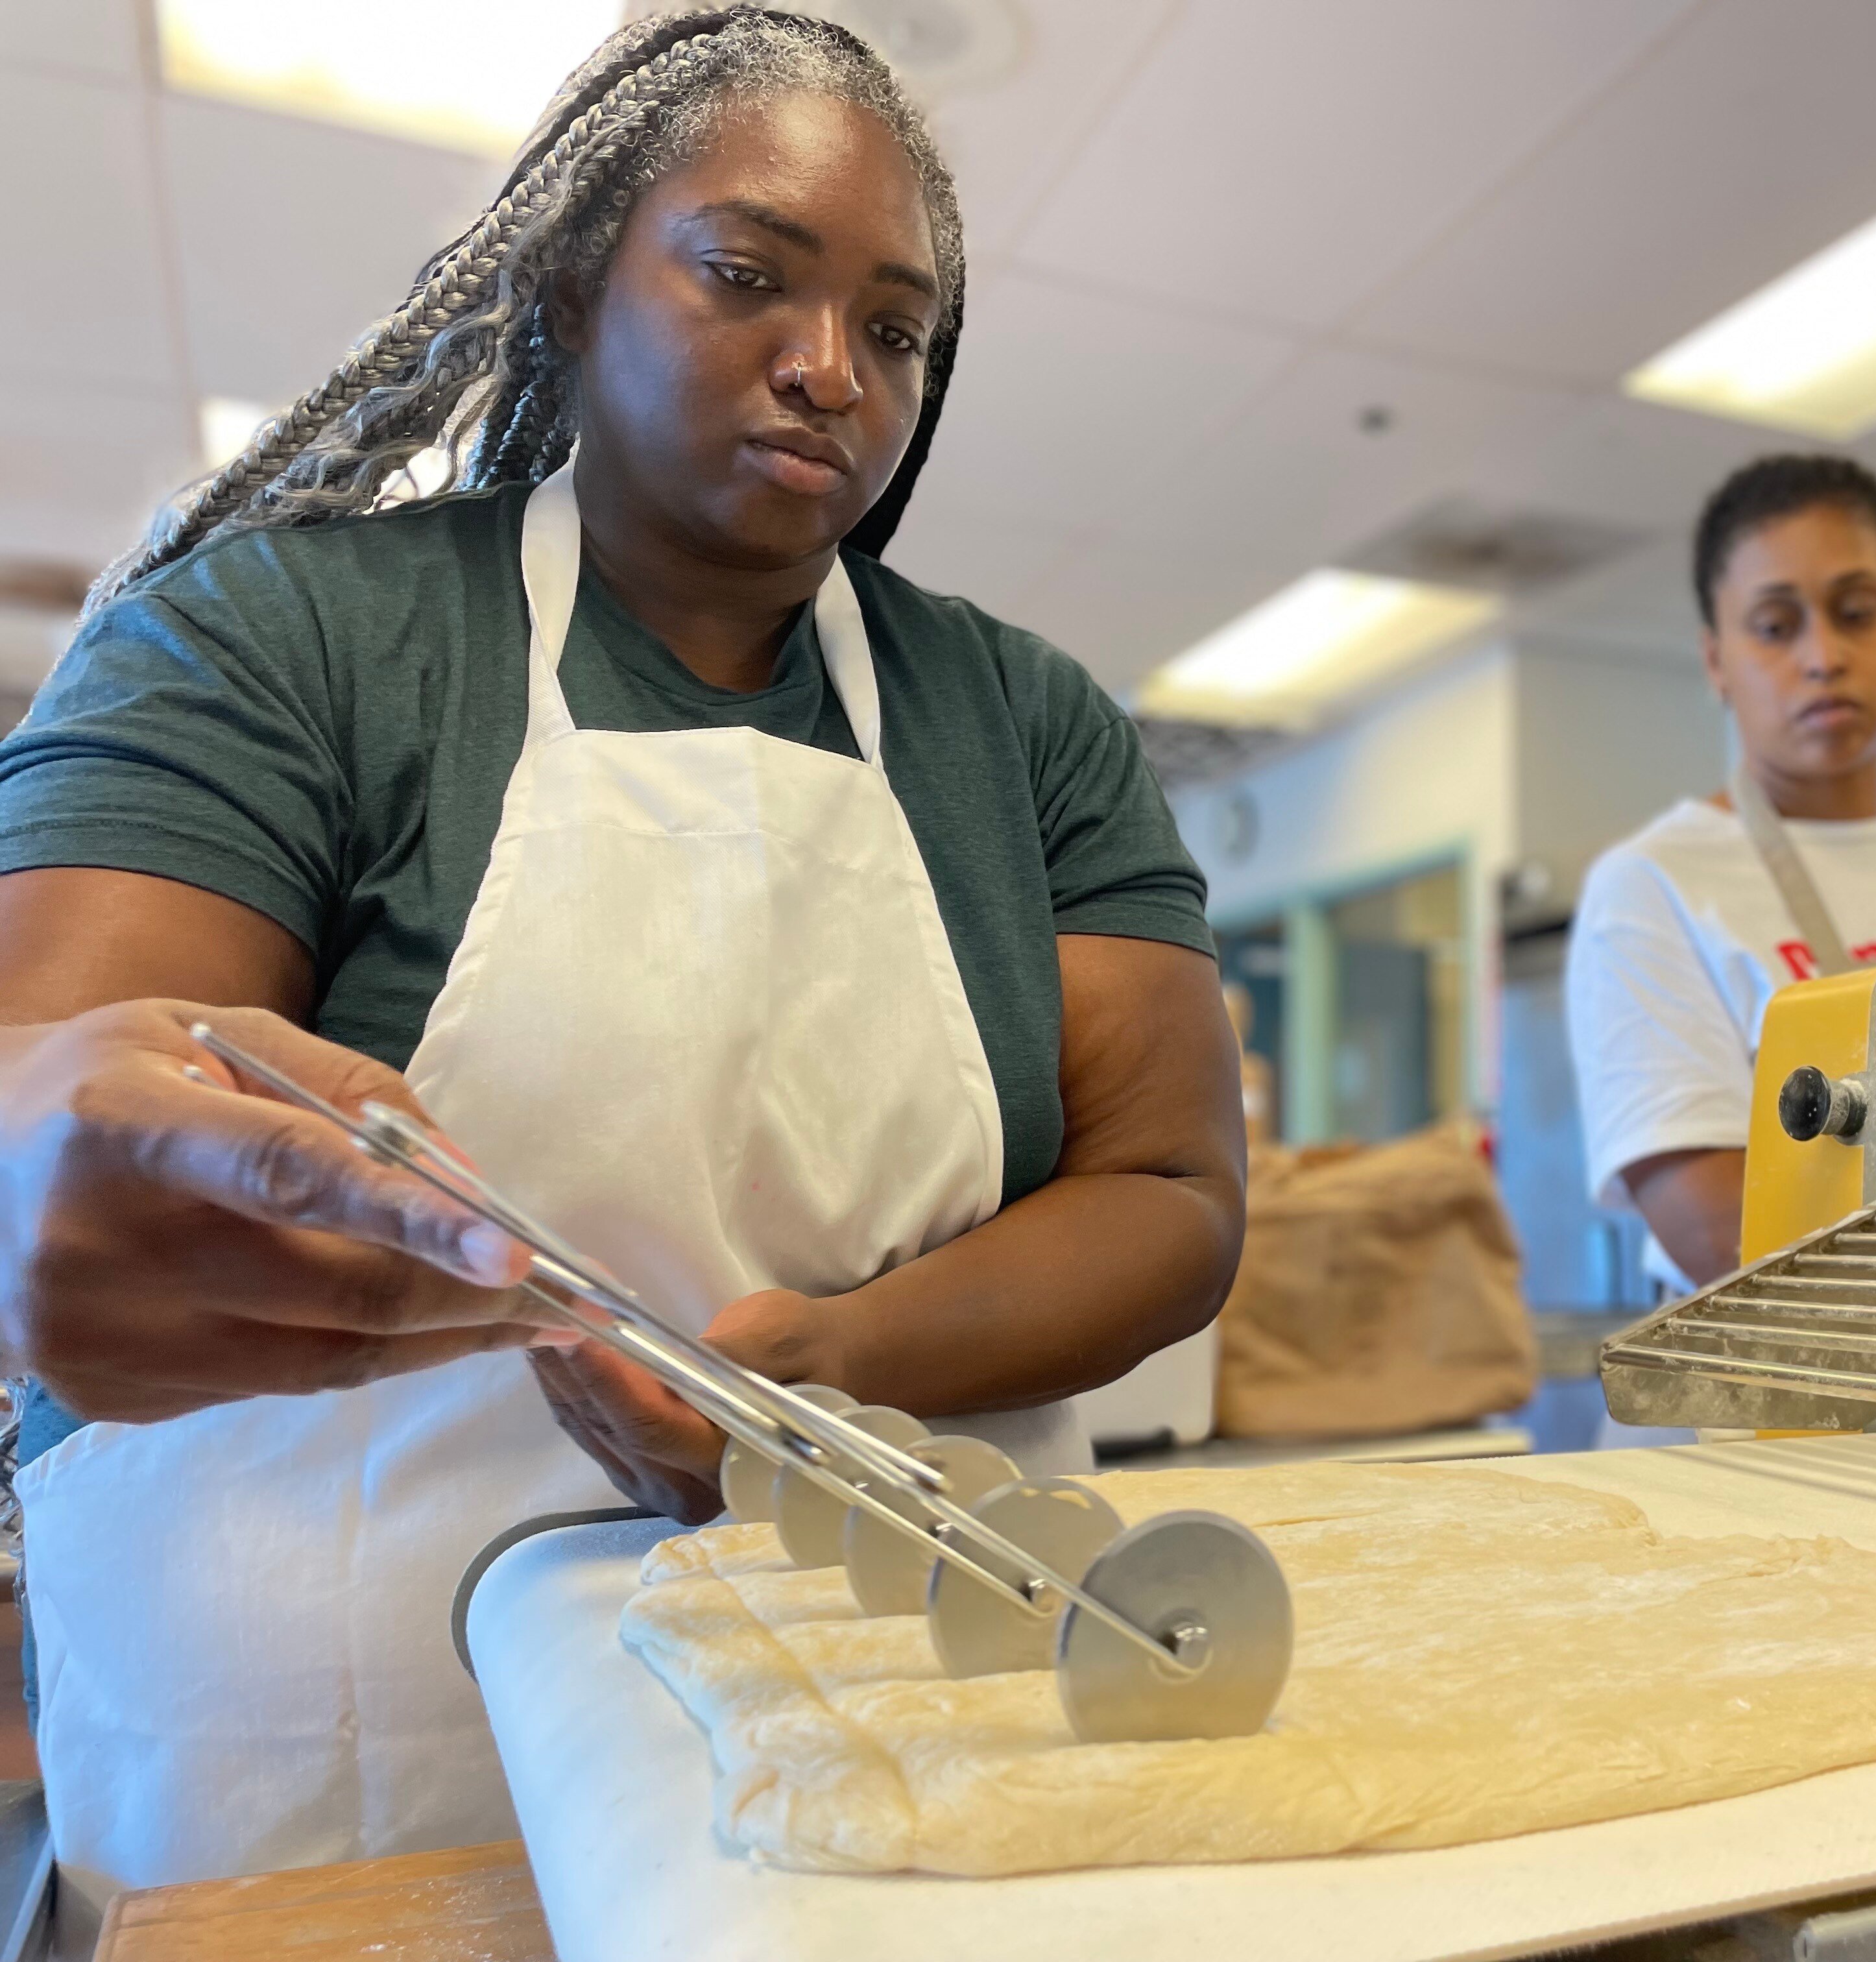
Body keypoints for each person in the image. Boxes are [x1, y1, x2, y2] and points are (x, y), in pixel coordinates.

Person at [0, 10, 1242, 1930]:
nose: (831, 370)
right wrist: (34, 1164)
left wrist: (817, 1379)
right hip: (347, 1771)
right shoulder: (290, 639)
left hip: (895, 1703)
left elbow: (1165, 1195)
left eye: (899, 331)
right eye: (749, 275)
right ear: (580, 276)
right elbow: (53, 1064)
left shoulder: (1024, 726)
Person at [1566, 455, 1876, 1296]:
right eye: (1776, 626)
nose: (1823, 656)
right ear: (1715, 661)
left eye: (1856, 612)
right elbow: (1724, 1234)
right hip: (1764, 1394)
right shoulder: (1650, 886)